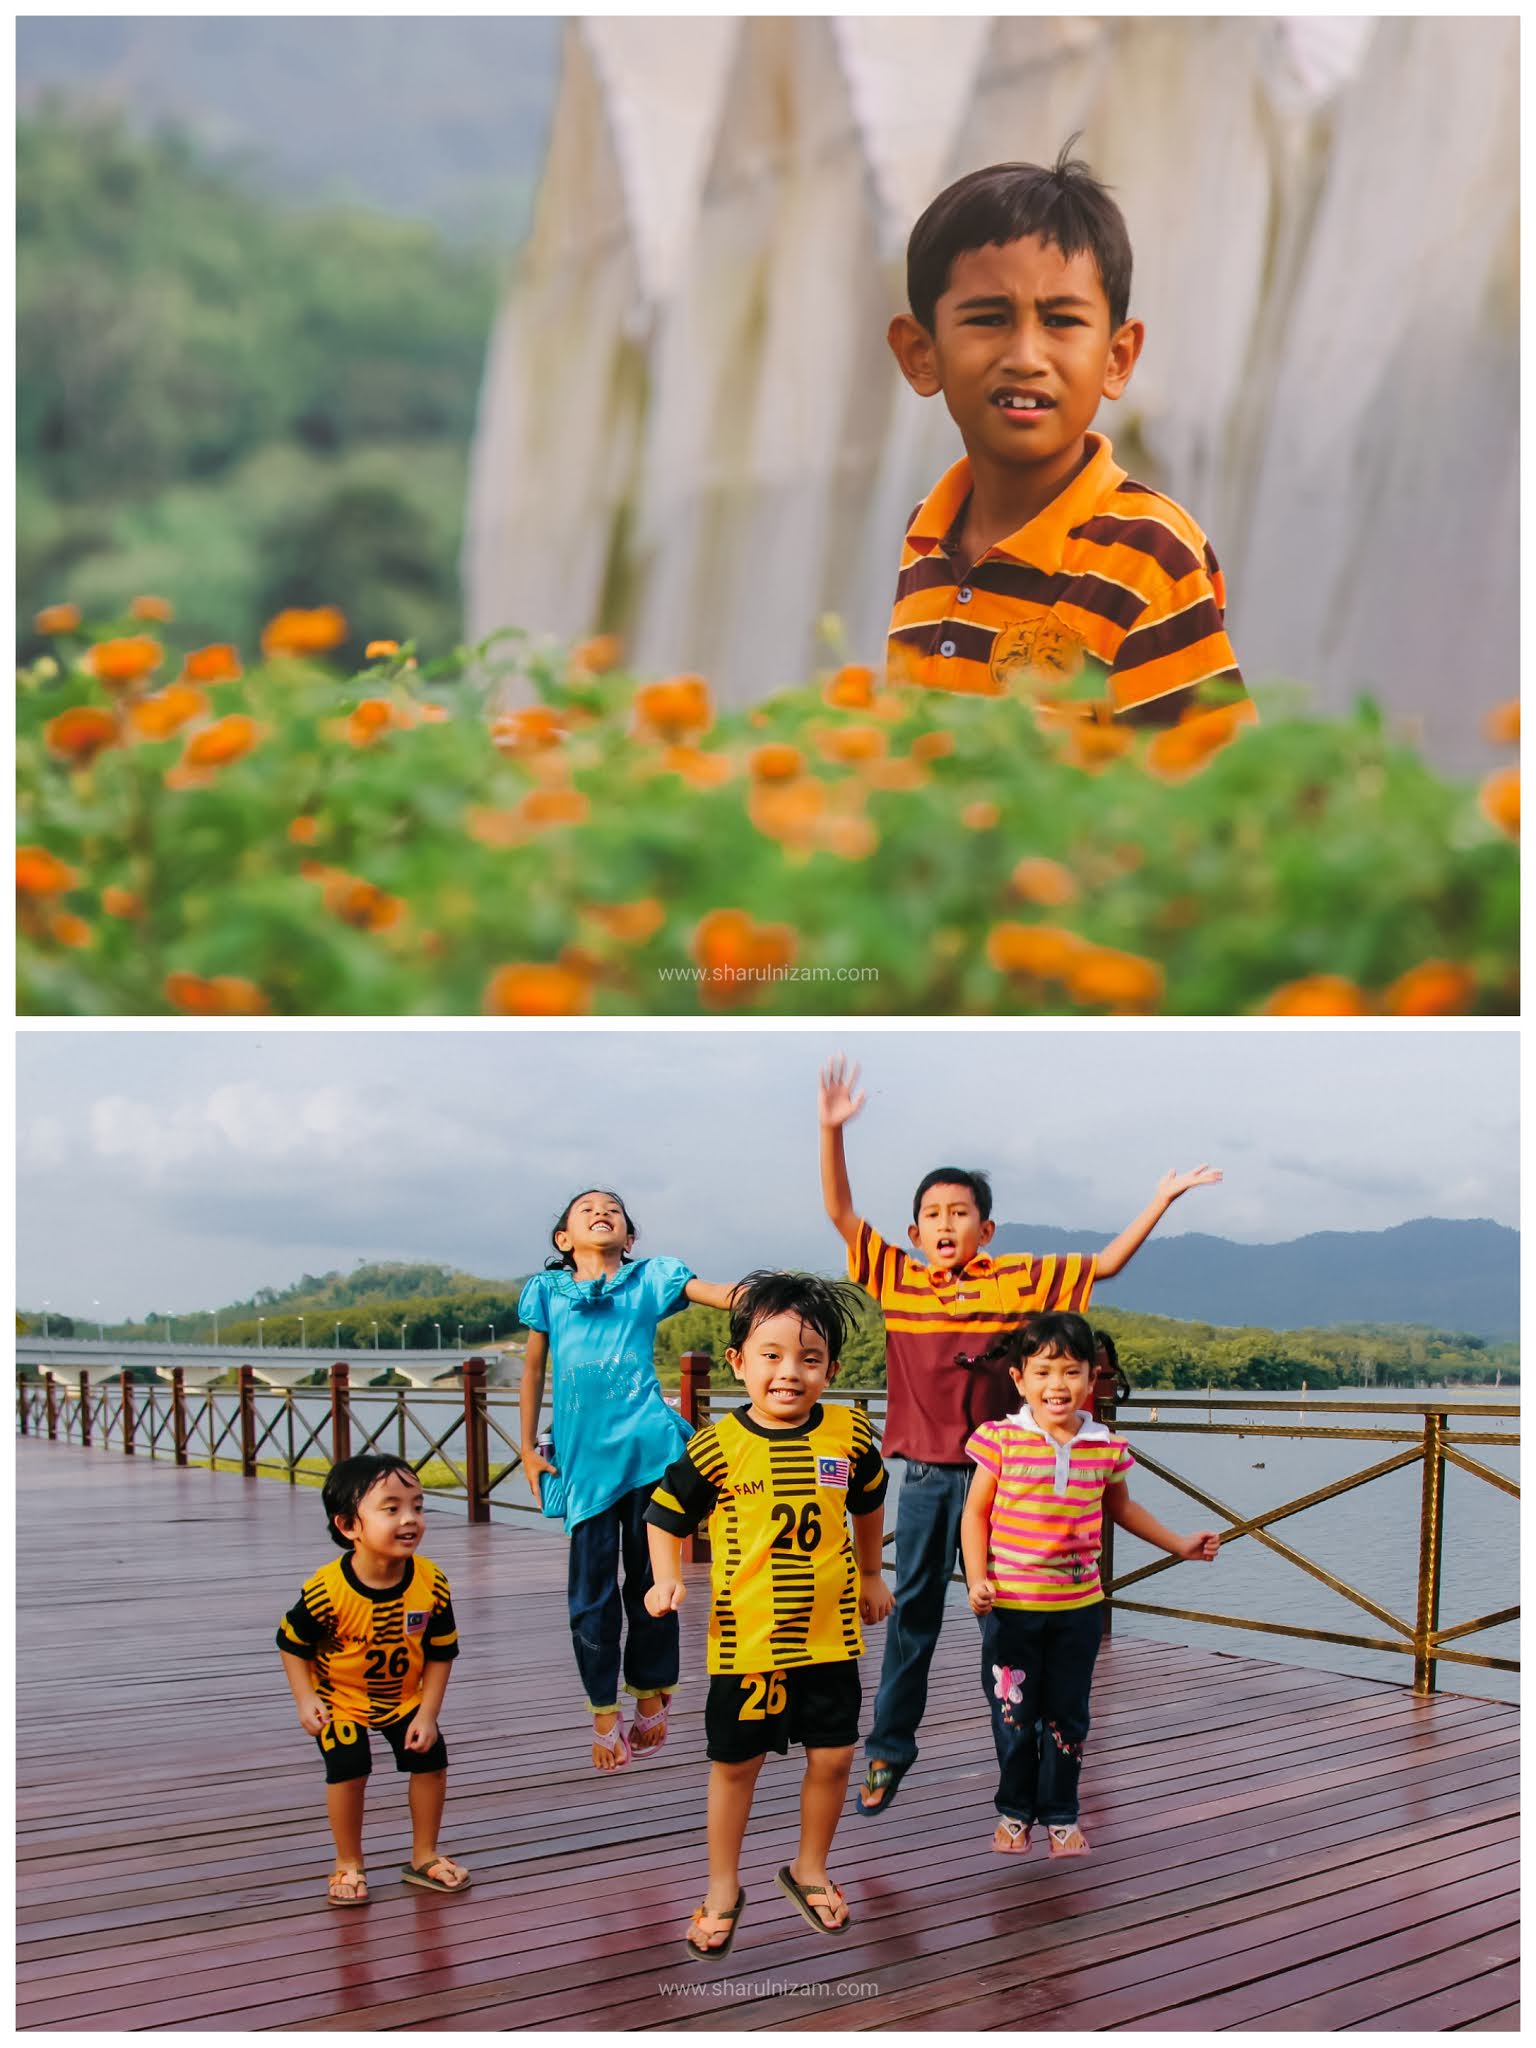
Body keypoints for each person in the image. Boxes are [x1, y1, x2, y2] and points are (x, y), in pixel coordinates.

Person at [818, 1051, 1220, 1817]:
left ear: (985, 1226)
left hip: (1010, 1478)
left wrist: (1163, 1198)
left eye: (959, 1213)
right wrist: (831, 1130)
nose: (945, 1224)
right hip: (932, 1478)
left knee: (1001, 1627)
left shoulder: (1020, 1278)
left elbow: (1105, 1264)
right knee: (915, 1619)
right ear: (914, 1229)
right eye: (932, 1215)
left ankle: (1021, 1772)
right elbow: (841, 1212)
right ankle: (888, 1752)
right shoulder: (895, 1275)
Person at [884, 141, 1253, 752]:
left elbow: (1216, 791)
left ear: (1117, 357)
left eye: (1060, 321)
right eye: (987, 318)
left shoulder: (1147, 556)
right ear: (922, 355)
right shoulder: (927, 538)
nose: (1026, 357)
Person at [645, 1271, 893, 1963]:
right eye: (772, 1355)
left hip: (830, 1635)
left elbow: (869, 1502)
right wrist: (666, 1578)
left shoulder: (848, 1433)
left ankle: (808, 1867)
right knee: (736, 1764)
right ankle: (722, 1887)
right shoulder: (718, 1447)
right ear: (738, 1364)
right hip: (747, 1641)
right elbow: (664, 1518)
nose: (790, 1373)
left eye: (810, 1359)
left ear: (832, 1370)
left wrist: (872, 1573)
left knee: (836, 1755)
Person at [961, 1309, 1220, 1854]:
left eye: (1073, 1372)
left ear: (1092, 1376)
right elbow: (974, 1513)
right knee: (1014, 1712)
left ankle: (1059, 1814)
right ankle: (1014, 1811)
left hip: (1078, 1609)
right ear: (1019, 1380)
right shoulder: (1001, 1439)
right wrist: (977, 1578)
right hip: (1011, 1607)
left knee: (1068, 1714)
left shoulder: (1105, 1445)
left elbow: (1122, 1510)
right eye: (1044, 1372)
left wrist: (1178, 1544)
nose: (1058, 1385)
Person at [517, 1188, 738, 1770]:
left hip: (650, 1454)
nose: (600, 1212)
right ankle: (602, 1710)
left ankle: (650, 1696)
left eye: (612, 1209)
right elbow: (534, 1369)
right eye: (586, 1209)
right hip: (586, 1465)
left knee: (653, 1587)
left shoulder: (650, 1280)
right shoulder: (547, 1293)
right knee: (591, 1596)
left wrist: (771, 1297)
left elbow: (716, 1294)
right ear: (564, 1239)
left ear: (630, 1237)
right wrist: (526, 1447)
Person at [276, 1454, 470, 1908]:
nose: (410, 1520)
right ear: (348, 1526)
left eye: (418, 1507)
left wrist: (429, 1713)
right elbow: (291, 1643)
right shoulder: (327, 1591)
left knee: (430, 1757)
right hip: (339, 1699)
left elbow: (442, 1652)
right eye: (391, 1508)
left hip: (403, 1698)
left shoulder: (431, 1582)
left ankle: (423, 1855)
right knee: (348, 1764)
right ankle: (348, 1861)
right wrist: (305, 1700)